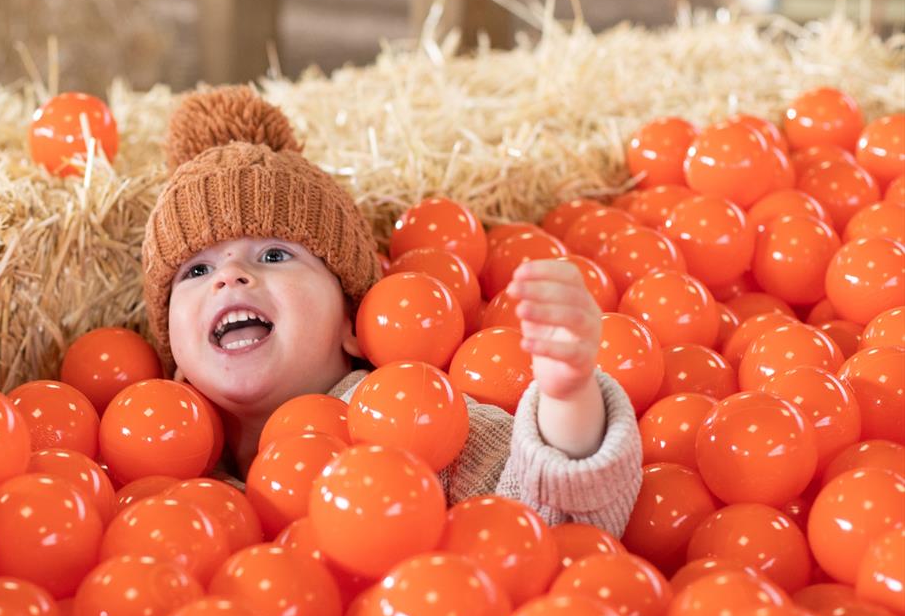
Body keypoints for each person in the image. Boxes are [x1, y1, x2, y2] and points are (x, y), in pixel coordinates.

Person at [141, 86, 641, 536]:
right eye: (197, 271)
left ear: (351, 323)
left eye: (274, 255)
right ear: (175, 356)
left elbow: (556, 521)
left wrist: (567, 396)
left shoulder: (411, 409)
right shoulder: (165, 474)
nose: (230, 276)